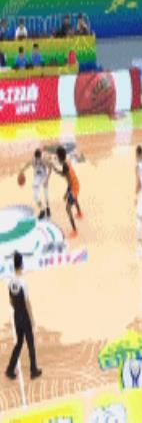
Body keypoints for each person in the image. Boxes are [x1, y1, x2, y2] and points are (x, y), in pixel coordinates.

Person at [5, 252, 42, 381]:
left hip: (16, 315)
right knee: (30, 342)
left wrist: (17, 311)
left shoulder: (10, 282)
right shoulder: (23, 283)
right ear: (21, 265)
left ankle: (10, 368)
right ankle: (33, 370)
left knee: (19, 343)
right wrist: (32, 319)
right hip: (24, 316)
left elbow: (11, 300)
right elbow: (27, 303)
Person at [52, 146, 82, 237]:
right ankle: (79, 213)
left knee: (68, 209)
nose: (56, 157)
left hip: (73, 187)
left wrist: (66, 194)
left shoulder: (65, 165)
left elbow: (69, 182)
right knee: (75, 199)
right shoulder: (66, 162)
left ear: (60, 157)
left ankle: (75, 230)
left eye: (57, 156)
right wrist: (56, 170)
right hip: (76, 183)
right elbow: (65, 174)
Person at [19, 149, 52, 220]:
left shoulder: (44, 160)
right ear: (36, 156)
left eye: (39, 157)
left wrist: (47, 179)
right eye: (38, 158)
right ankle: (42, 210)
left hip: (44, 176)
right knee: (35, 195)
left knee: (46, 195)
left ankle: (48, 208)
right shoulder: (33, 160)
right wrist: (21, 171)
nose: (39, 159)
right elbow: (26, 165)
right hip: (37, 177)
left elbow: (50, 168)